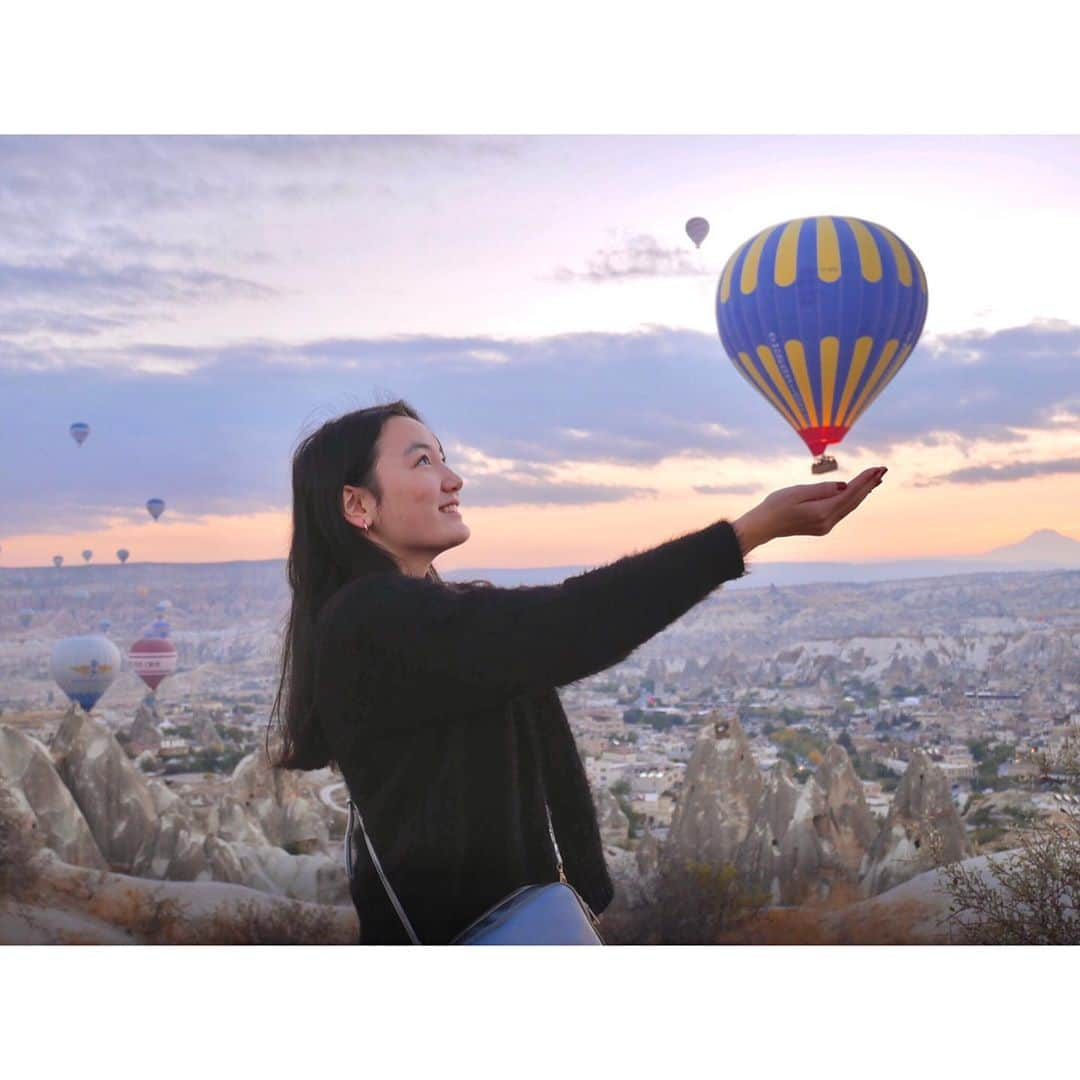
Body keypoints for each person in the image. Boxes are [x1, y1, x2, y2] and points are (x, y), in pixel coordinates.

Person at [268, 400, 887, 944]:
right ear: (357, 504)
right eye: (423, 462)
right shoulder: (375, 621)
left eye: (445, 458)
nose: (455, 479)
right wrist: (747, 534)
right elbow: (570, 622)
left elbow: (550, 632)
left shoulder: (421, 618)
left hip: (518, 923)